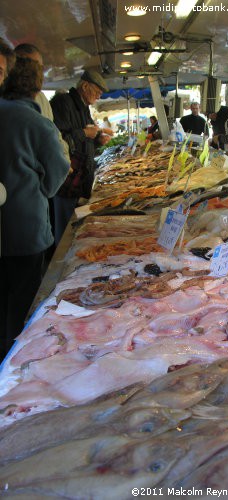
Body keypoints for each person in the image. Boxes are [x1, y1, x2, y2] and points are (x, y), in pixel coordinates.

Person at [0, 58, 70, 359]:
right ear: (37, 88)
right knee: (22, 302)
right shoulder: (38, 123)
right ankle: (14, 363)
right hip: (25, 227)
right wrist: (41, 191)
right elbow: (59, 167)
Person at [50, 69, 111, 245]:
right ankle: (60, 266)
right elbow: (58, 140)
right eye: (97, 91)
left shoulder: (84, 108)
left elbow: (85, 140)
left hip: (80, 179)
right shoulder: (63, 103)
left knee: (76, 228)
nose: (99, 96)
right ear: (84, 86)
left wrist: (98, 140)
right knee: (65, 231)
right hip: (67, 179)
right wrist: (84, 132)